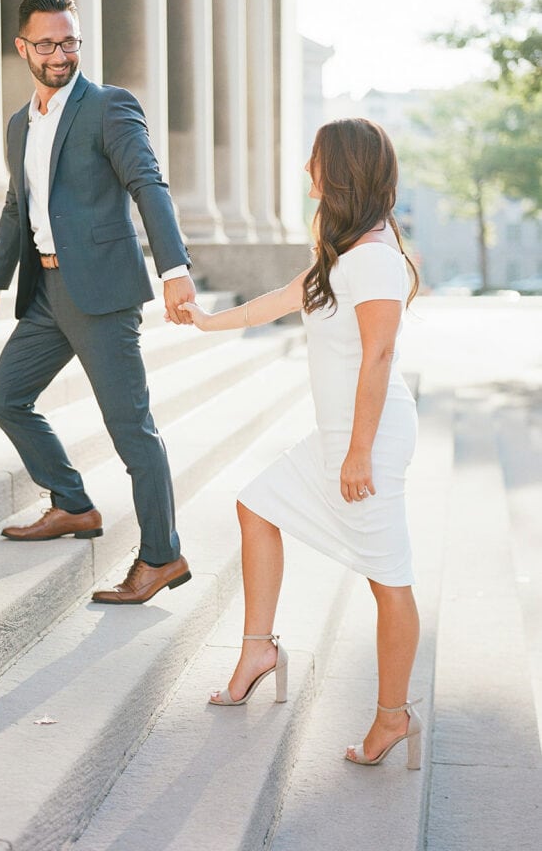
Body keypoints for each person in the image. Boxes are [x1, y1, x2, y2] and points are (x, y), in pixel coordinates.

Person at [178, 118, 423, 768]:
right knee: (256, 506)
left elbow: (378, 358)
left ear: (339, 170)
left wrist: (359, 453)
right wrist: (205, 321)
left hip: (367, 436)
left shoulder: (373, 258)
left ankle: (392, 718)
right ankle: (258, 649)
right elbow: (279, 301)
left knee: (387, 577)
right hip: (339, 434)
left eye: (313, 161)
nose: (305, 172)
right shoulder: (342, 251)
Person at [0, 0, 194, 605]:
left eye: (70, 42)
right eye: (47, 44)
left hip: (102, 293)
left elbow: (148, 183)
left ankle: (161, 556)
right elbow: (18, 208)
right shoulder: (21, 124)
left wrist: (173, 267)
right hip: (45, 292)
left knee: (131, 430)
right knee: (6, 397)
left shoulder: (109, 107)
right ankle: (71, 503)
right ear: (23, 48)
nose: (61, 54)